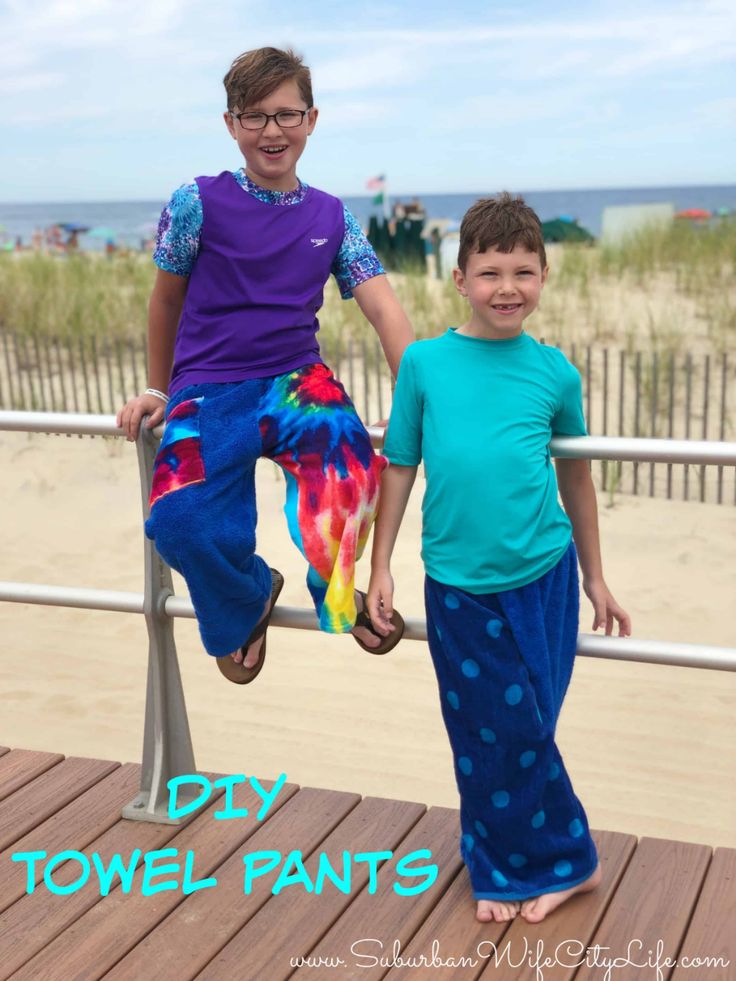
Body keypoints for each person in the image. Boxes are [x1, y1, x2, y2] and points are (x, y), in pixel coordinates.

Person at [366, 193, 631, 924]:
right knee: (484, 732)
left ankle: (546, 864)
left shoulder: (556, 374)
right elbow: (400, 465)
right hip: (457, 585)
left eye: (523, 271)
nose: (506, 287)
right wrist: (379, 564)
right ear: (460, 280)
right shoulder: (423, 363)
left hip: (545, 577)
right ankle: (521, 862)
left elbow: (576, 476)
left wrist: (595, 576)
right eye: (489, 272)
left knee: (526, 729)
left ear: (545, 275)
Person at [117, 46, 413, 684]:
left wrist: (418, 394)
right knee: (178, 521)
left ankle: (332, 588)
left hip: (296, 382)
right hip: (207, 389)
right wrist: (155, 388)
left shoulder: (333, 215)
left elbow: (385, 310)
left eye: (287, 115)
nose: (272, 131)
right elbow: (165, 297)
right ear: (231, 124)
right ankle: (249, 592)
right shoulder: (196, 201)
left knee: (357, 472)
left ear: (312, 120)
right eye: (255, 117)